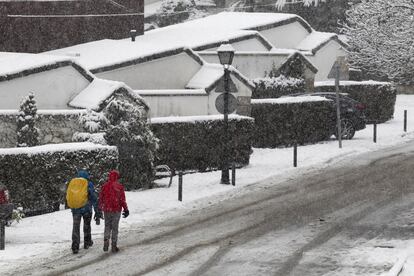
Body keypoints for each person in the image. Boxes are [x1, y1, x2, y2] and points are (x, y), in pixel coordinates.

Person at [66, 170, 101, 254]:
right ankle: (87, 242)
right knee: (87, 225)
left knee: (76, 227)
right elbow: (93, 197)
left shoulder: (73, 183)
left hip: (75, 209)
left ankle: (75, 246)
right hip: (86, 208)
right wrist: (97, 210)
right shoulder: (88, 184)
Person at [98, 170, 129, 253]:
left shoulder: (104, 186)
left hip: (107, 209)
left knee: (107, 225)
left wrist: (100, 208)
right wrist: (126, 209)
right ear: (117, 177)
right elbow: (122, 200)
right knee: (115, 228)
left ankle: (106, 238)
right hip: (116, 209)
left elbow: (101, 198)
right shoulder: (119, 186)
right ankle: (114, 246)